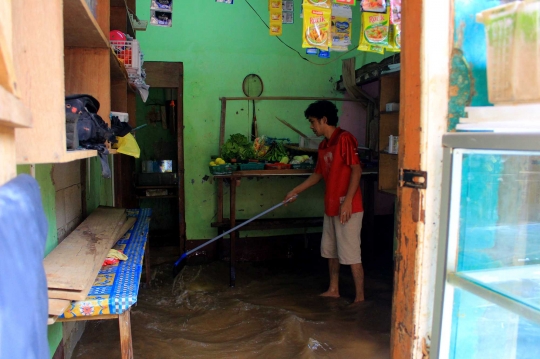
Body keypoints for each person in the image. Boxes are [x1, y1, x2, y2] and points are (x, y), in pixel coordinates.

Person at [284, 100, 364, 303]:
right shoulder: (323, 145)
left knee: (352, 253)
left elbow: (357, 169)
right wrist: (295, 191)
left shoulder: (345, 139)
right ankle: (333, 289)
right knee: (331, 250)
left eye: (312, 122)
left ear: (324, 120)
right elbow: (318, 174)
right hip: (331, 206)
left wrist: (347, 202)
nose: (311, 126)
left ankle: (360, 298)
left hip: (348, 206)